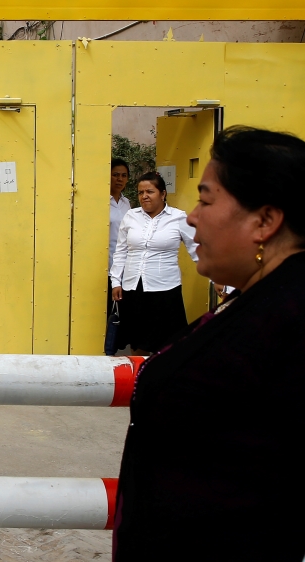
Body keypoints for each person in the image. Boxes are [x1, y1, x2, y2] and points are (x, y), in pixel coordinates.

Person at [113, 126, 305, 560]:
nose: (193, 216)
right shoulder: (255, 302)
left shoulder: (288, 318)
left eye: (205, 199)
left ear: (264, 222)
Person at [110, 171, 198, 355]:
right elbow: (121, 251)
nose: (144, 197)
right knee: (137, 343)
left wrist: (217, 277)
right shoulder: (131, 216)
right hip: (134, 288)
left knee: (168, 344)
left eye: (150, 192)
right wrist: (116, 281)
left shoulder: (178, 218)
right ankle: (140, 379)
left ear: (163, 194)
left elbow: (196, 249)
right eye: (141, 193)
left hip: (166, 289)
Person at [105, 158, 132, 355]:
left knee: (121, 308)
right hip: (106, 263)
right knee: (107, 308)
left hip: (125, 265)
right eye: (115, 174)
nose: (119, 179)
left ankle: (116, 346)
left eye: (123, 175)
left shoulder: (126, 203)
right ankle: (106, 347)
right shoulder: (101, 202)